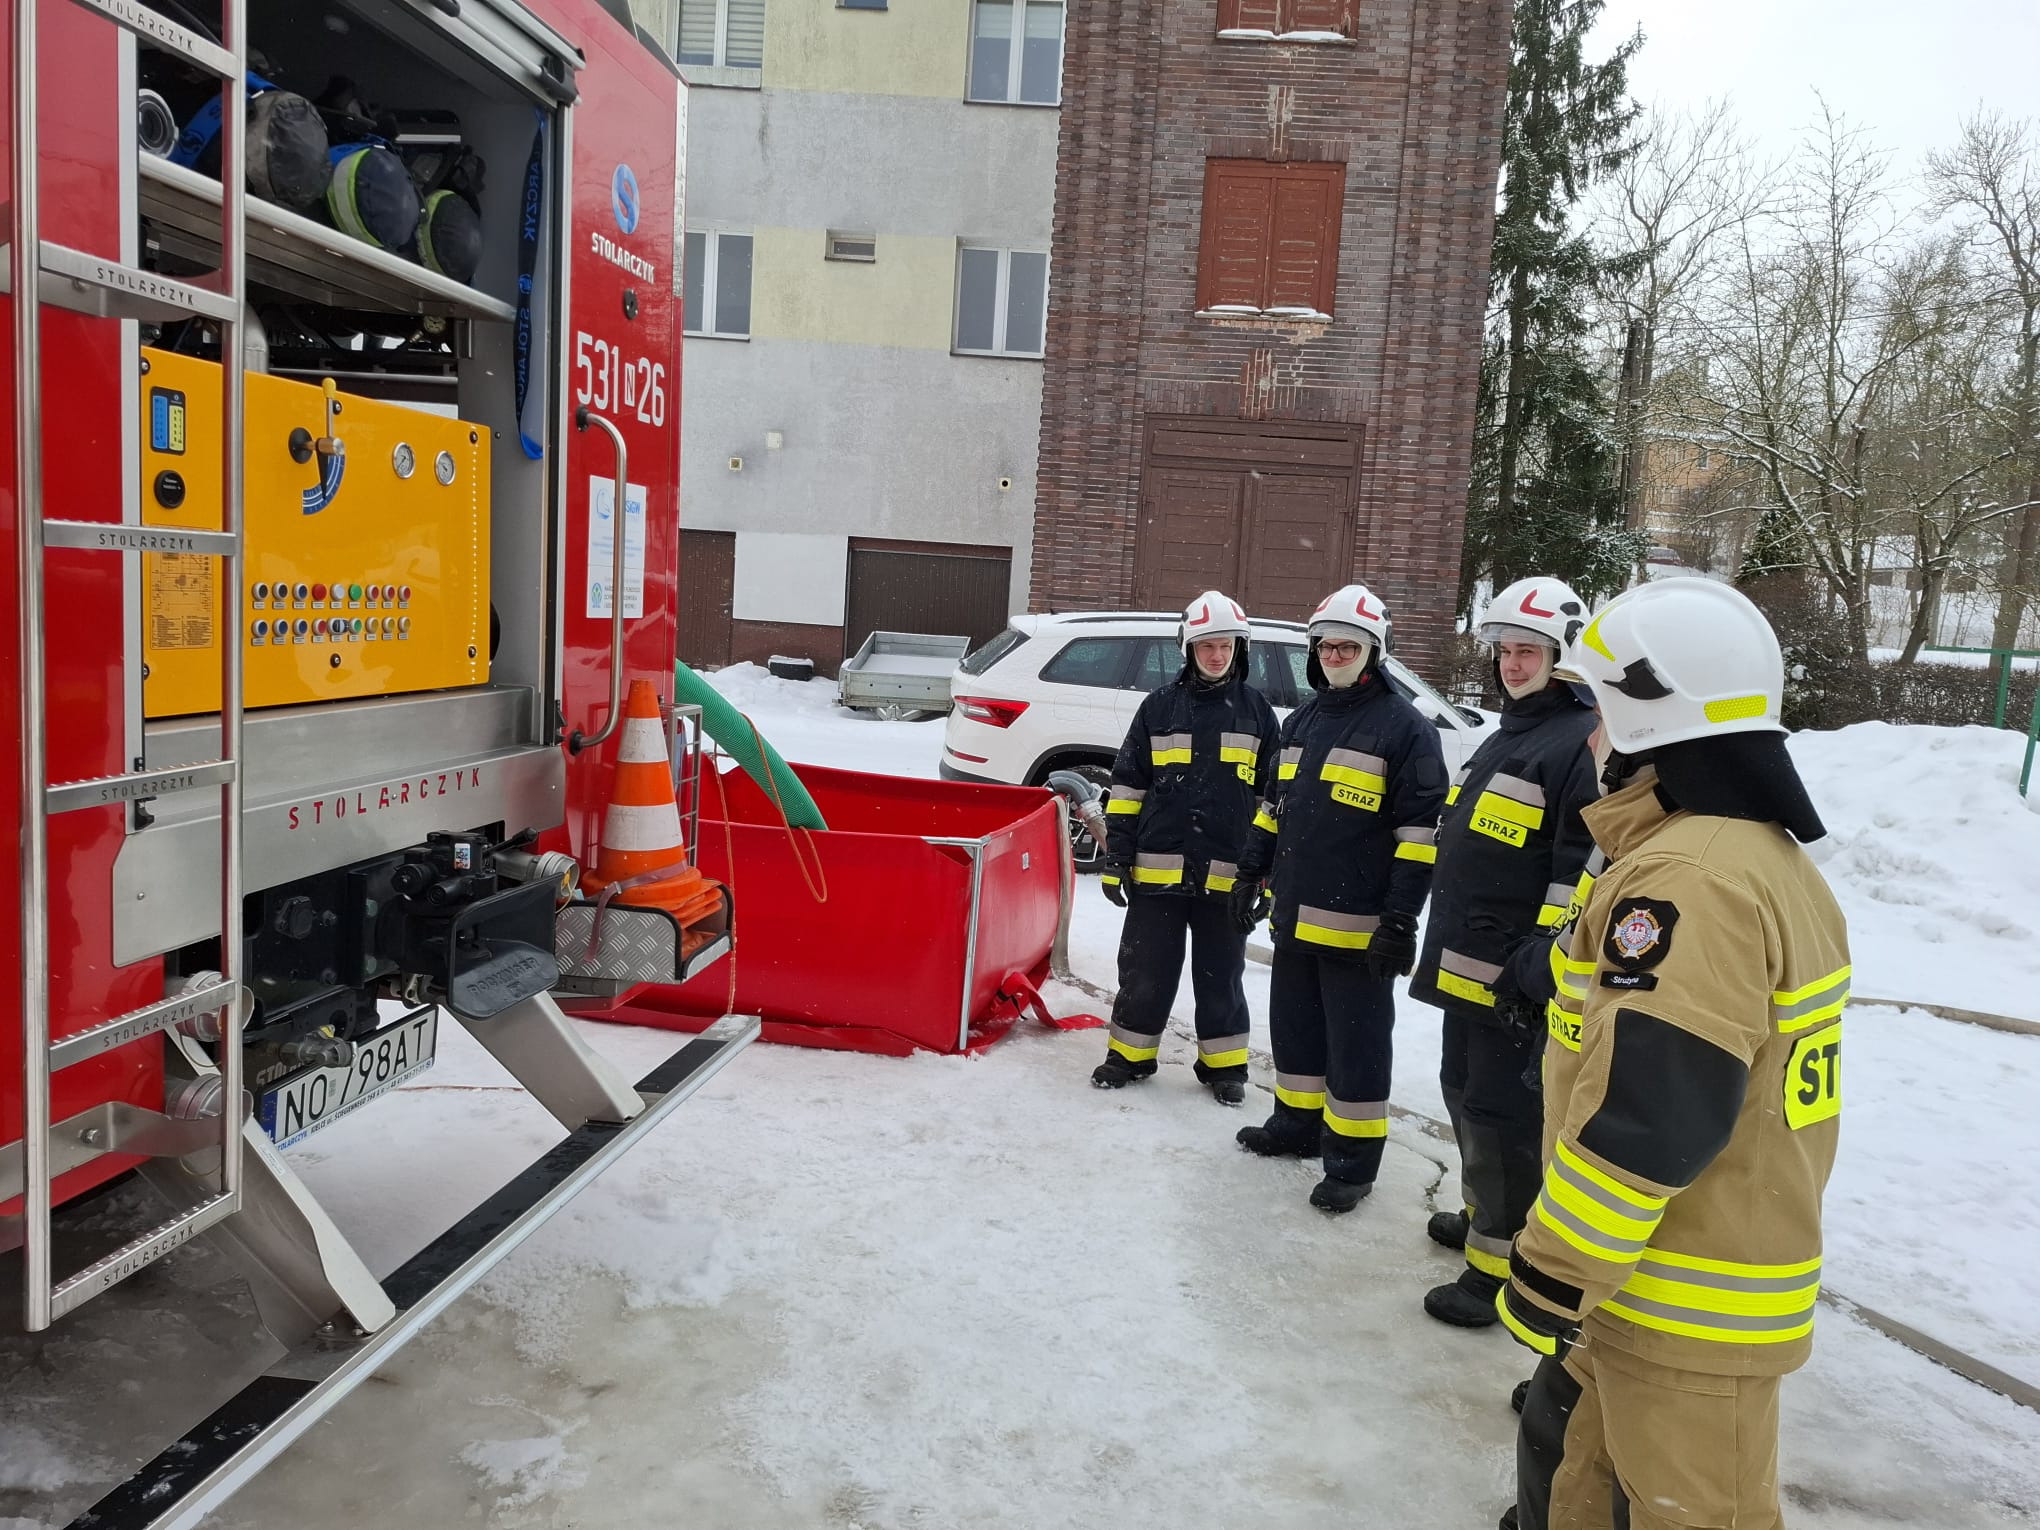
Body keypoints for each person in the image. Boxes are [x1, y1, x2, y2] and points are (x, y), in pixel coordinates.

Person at [1495, 578, 1850, 1530]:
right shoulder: (1744, 854)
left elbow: (1650, 1116)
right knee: (1575, 1487)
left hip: (1683, 1304)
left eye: (1599, 710)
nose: (1588, 736)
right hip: (1651, 1282)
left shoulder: (1691, 879)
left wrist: (1554, 1270)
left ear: (1649, 723)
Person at [1409, 577, 1600, 1328]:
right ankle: (1480, 1211)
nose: (1513, 665)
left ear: (1563, 659)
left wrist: (1539, 967)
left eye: (1529, 653)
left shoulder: (1577, 743)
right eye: (1507, 651)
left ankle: (1498, 1266)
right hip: (1471, 968)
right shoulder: (1513, 733)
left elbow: (1575, 873)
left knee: (1503, 1118)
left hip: (1514, 981)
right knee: (1462, 1092)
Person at [1231, 584, 1447, 1211]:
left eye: (1348, 647)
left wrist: (1400, 921)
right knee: (1295, 1031)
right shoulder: (1301, 722)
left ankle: (1352, 1164)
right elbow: (1272, 809)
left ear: (1375, 652)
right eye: (1326, 646)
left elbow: (1418, 840)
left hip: (1359, 931)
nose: (1334, 656)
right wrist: (1250, 871)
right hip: (1295, 918)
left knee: (1357, 1049)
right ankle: (1295, 1126)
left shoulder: (1406, 730)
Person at [1091, 590, 1281, 1105]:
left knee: (1222, 977)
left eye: (1225, 646)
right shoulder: (1158, 708)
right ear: (1188, 648)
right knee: (1144, 971)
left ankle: (1225, 1067)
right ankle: (1128, 1056)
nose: (1216, 656)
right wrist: (1117, 858)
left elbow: (1272, 804)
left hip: (1228, 878)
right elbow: (1127, 790)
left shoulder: (1258, 714)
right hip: (1157, 873)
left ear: (1239, 649)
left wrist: (1265, 876)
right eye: (1206, 646)